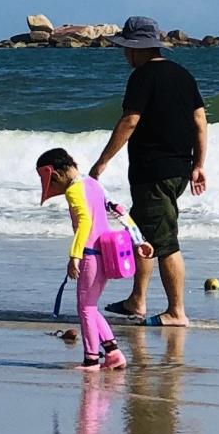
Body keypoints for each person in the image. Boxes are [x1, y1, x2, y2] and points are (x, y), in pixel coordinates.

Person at [87, 16, 209, 329]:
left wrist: (102, 162)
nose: (124, 54)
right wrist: (198, 164)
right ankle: (136, 301)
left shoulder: (143, 76)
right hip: (178, 169)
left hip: (155, 172)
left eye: (126, 48)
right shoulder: (183, 75)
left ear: (136, 49)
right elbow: (200, 120)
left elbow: (130, 121)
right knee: (143, 234)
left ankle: (176, 311)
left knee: (165, 241)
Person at [37, 146, 141, 371]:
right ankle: (112, 353)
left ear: (54, 174)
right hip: (107, 254)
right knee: (90, 306)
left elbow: (84, 221)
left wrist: (74, 256)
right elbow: (118, 209)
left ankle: (91, 359)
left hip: (91, 255)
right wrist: (139, 240)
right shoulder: (94, 184)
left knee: (84, 307)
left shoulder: (74, 191)